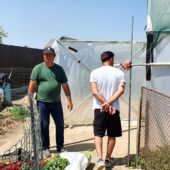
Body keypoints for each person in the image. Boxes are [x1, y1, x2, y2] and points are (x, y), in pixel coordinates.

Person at [28, 47, 73, 158]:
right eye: (46, 54)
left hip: (56, 102)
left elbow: (65, 85)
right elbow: (32, 84)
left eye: (50, 54)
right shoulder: (38, 68)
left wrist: (69, 100)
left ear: (54, 56)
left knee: (60, 124)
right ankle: (45, 148)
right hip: (42, 102)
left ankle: (60, 146)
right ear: (43, 56)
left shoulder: (59, 69)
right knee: (44, 125)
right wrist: (29, 100)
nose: (48, 56)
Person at [90, 51, 126, 169]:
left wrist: (104, 103)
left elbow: (95, 92)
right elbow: (120, 90)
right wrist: (109, 104)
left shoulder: (94, 73)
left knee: (98, 134)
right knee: (112, 134)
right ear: (111, 59)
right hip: (113, 109)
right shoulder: (120, 73)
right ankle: (107, 159)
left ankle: (99, 159)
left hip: (99, 108)